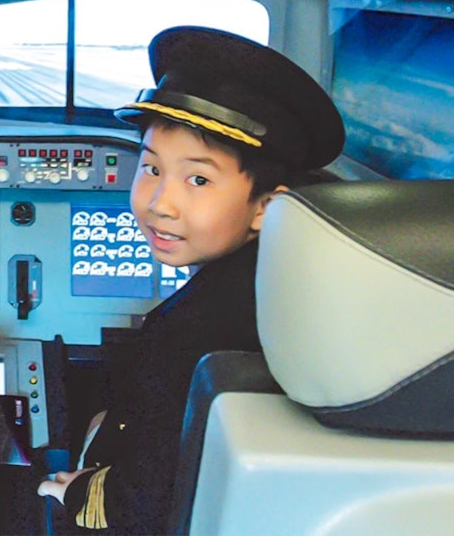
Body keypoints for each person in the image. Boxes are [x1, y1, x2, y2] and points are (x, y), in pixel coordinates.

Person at [37, 26, 346, 533]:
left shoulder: (199, 332)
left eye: (198, 179)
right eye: (152, 168)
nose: (160, 203)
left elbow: (145, 505)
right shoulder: (268, 282)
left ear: (266, 207)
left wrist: (73, 490)